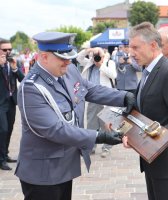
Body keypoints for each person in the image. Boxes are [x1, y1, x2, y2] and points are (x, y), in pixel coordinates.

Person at [15, 31, 135, 200]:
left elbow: (90, 89)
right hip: (43, 173)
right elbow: (55, 130)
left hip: (63, 166)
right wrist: (99, 136)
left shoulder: (68, 69)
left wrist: (123, 96)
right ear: (44, 57)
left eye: (69, 57)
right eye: (61, 58)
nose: (68, 62)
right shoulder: (31, 88)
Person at [123, 22, 168, 200]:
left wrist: (149, 138)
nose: (131, 53)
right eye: (129, 47)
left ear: (153, 45)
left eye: (135, 47)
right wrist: (125, 129)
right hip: (153, 160)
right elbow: (145, 108)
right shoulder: (148, 70)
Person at [77, 47, 117, 157]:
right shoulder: (89, 62)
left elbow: (113, 75)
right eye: (95, 55)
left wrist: (101, 65)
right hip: (92, 97)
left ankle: (107, 148)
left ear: (104, 55)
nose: (97, 57)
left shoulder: (110, 62)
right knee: (91, 124)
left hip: (106, 97)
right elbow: (78, 58)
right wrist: (88, 50)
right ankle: (91, 147)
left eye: (99, 55)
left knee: (107, 123)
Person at [0, 39, 24, 170]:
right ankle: (1, 159)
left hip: (11, 102)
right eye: (4, 50)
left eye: (10, 49)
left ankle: (5, 154)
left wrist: (15, 69)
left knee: (8, 129)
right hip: (0, 103)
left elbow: (23, 79)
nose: (8, 52)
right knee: (2, 130)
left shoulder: (14, 63)